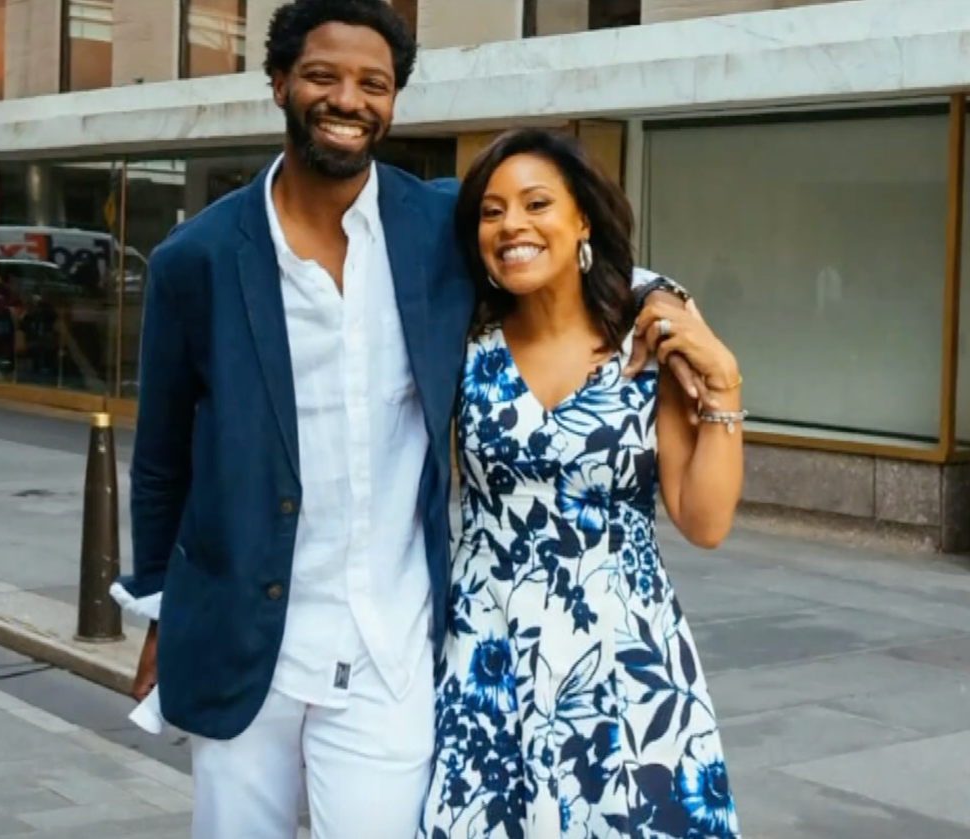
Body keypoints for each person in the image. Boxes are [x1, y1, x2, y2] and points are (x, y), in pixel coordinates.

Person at [110, 2, 707, 837]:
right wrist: (160, 610)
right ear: (280, 83)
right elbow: (162, 458)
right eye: (323, 76)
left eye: (373, 84)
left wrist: (666, 299)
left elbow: (551, 249)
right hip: (249, 643)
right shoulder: (197, 261)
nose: (348, 99)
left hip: (389, 648)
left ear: (393, 102)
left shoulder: (433, 228)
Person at [419, 128, 745, 839]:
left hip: (623, 650)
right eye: (492, 211)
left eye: (537, 203)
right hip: (490, 649)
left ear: (582, 220)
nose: (513, 226)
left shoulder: (647, 343)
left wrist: (722, 383)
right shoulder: (463, 341)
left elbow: (704, 518)